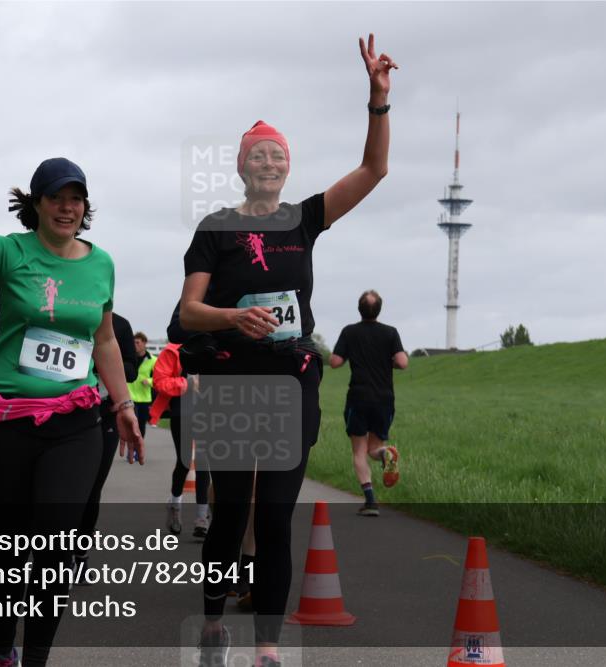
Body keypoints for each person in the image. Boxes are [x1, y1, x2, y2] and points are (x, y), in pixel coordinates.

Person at [178, 35, 395, 667]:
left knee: (273, 517)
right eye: (258, 156)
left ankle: (269, 648)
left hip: (290, 382)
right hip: (228, 379)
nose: (270, 163)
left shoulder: (304, 220)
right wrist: (231, 316)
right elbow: (188, 311)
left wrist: (377, 101)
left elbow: (374, 172)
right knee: (228, 518)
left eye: (278, 155)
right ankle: (215, 623)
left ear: (288, 167)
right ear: (242, 167)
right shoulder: (215, 229)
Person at [0, 113, 143, 667]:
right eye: (57, 198)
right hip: (10, 422)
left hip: (74, 421)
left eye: (77, 199)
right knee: (9, 547)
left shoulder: (102, 264)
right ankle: (2, 653)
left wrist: (122, 404)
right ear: (37, 203)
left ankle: (36, 658)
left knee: (55, 548)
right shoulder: (11, 254)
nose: (68, 207)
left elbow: (105, 342)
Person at [329, 290, 408, 516]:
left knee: (359, 451)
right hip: (384, 399)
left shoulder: (350, 332)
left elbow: (334, 362)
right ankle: (386, 453)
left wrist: (346, 355)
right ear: (379, 309)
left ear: (359, 309)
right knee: (375, 448)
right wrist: (386, 361)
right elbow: (402, 362)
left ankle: (371, 501)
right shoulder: (390, 333)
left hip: (359, 398)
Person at [75, 311, 138, 580]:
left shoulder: (121, 325)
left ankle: (80, 555)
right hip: (69, 408)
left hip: (105, 411)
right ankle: (57, 554)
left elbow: (132, 372)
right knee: (67, 488)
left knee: (91, 488)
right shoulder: (69, 316)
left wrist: (101, 359)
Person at [149, 328, 212, 538]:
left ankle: (202, 518)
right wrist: (187, 383)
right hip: (182, 411)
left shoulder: (212, 349)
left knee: (204, 462)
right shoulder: (173, 351)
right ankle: (175, 505)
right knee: (185, 462)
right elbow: (160, 382)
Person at [129, 331, 156, 436]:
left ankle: (137, 450)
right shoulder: (130, 358)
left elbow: (159, 379)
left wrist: (149, 381)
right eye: (134, 343)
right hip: (130, 397)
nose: (135, 345)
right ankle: (132, 452)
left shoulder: (153, 360)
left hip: (144, 398)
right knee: (131, 426)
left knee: (141, 427)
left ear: (145, 343)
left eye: (137, 342)